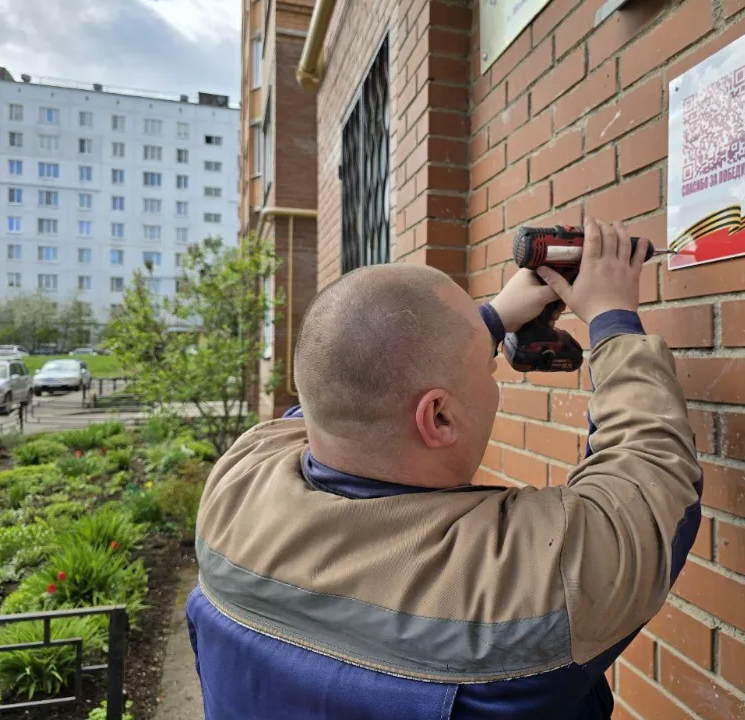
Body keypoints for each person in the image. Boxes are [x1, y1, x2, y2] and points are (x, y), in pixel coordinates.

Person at [186, 218, 702, 719]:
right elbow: (649, 470)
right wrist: (613, 318)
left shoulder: (235, 484)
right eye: (487, 364)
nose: (494, 370)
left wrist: (489, 320)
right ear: (437, 415)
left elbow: (347, 391)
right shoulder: (520, 587)